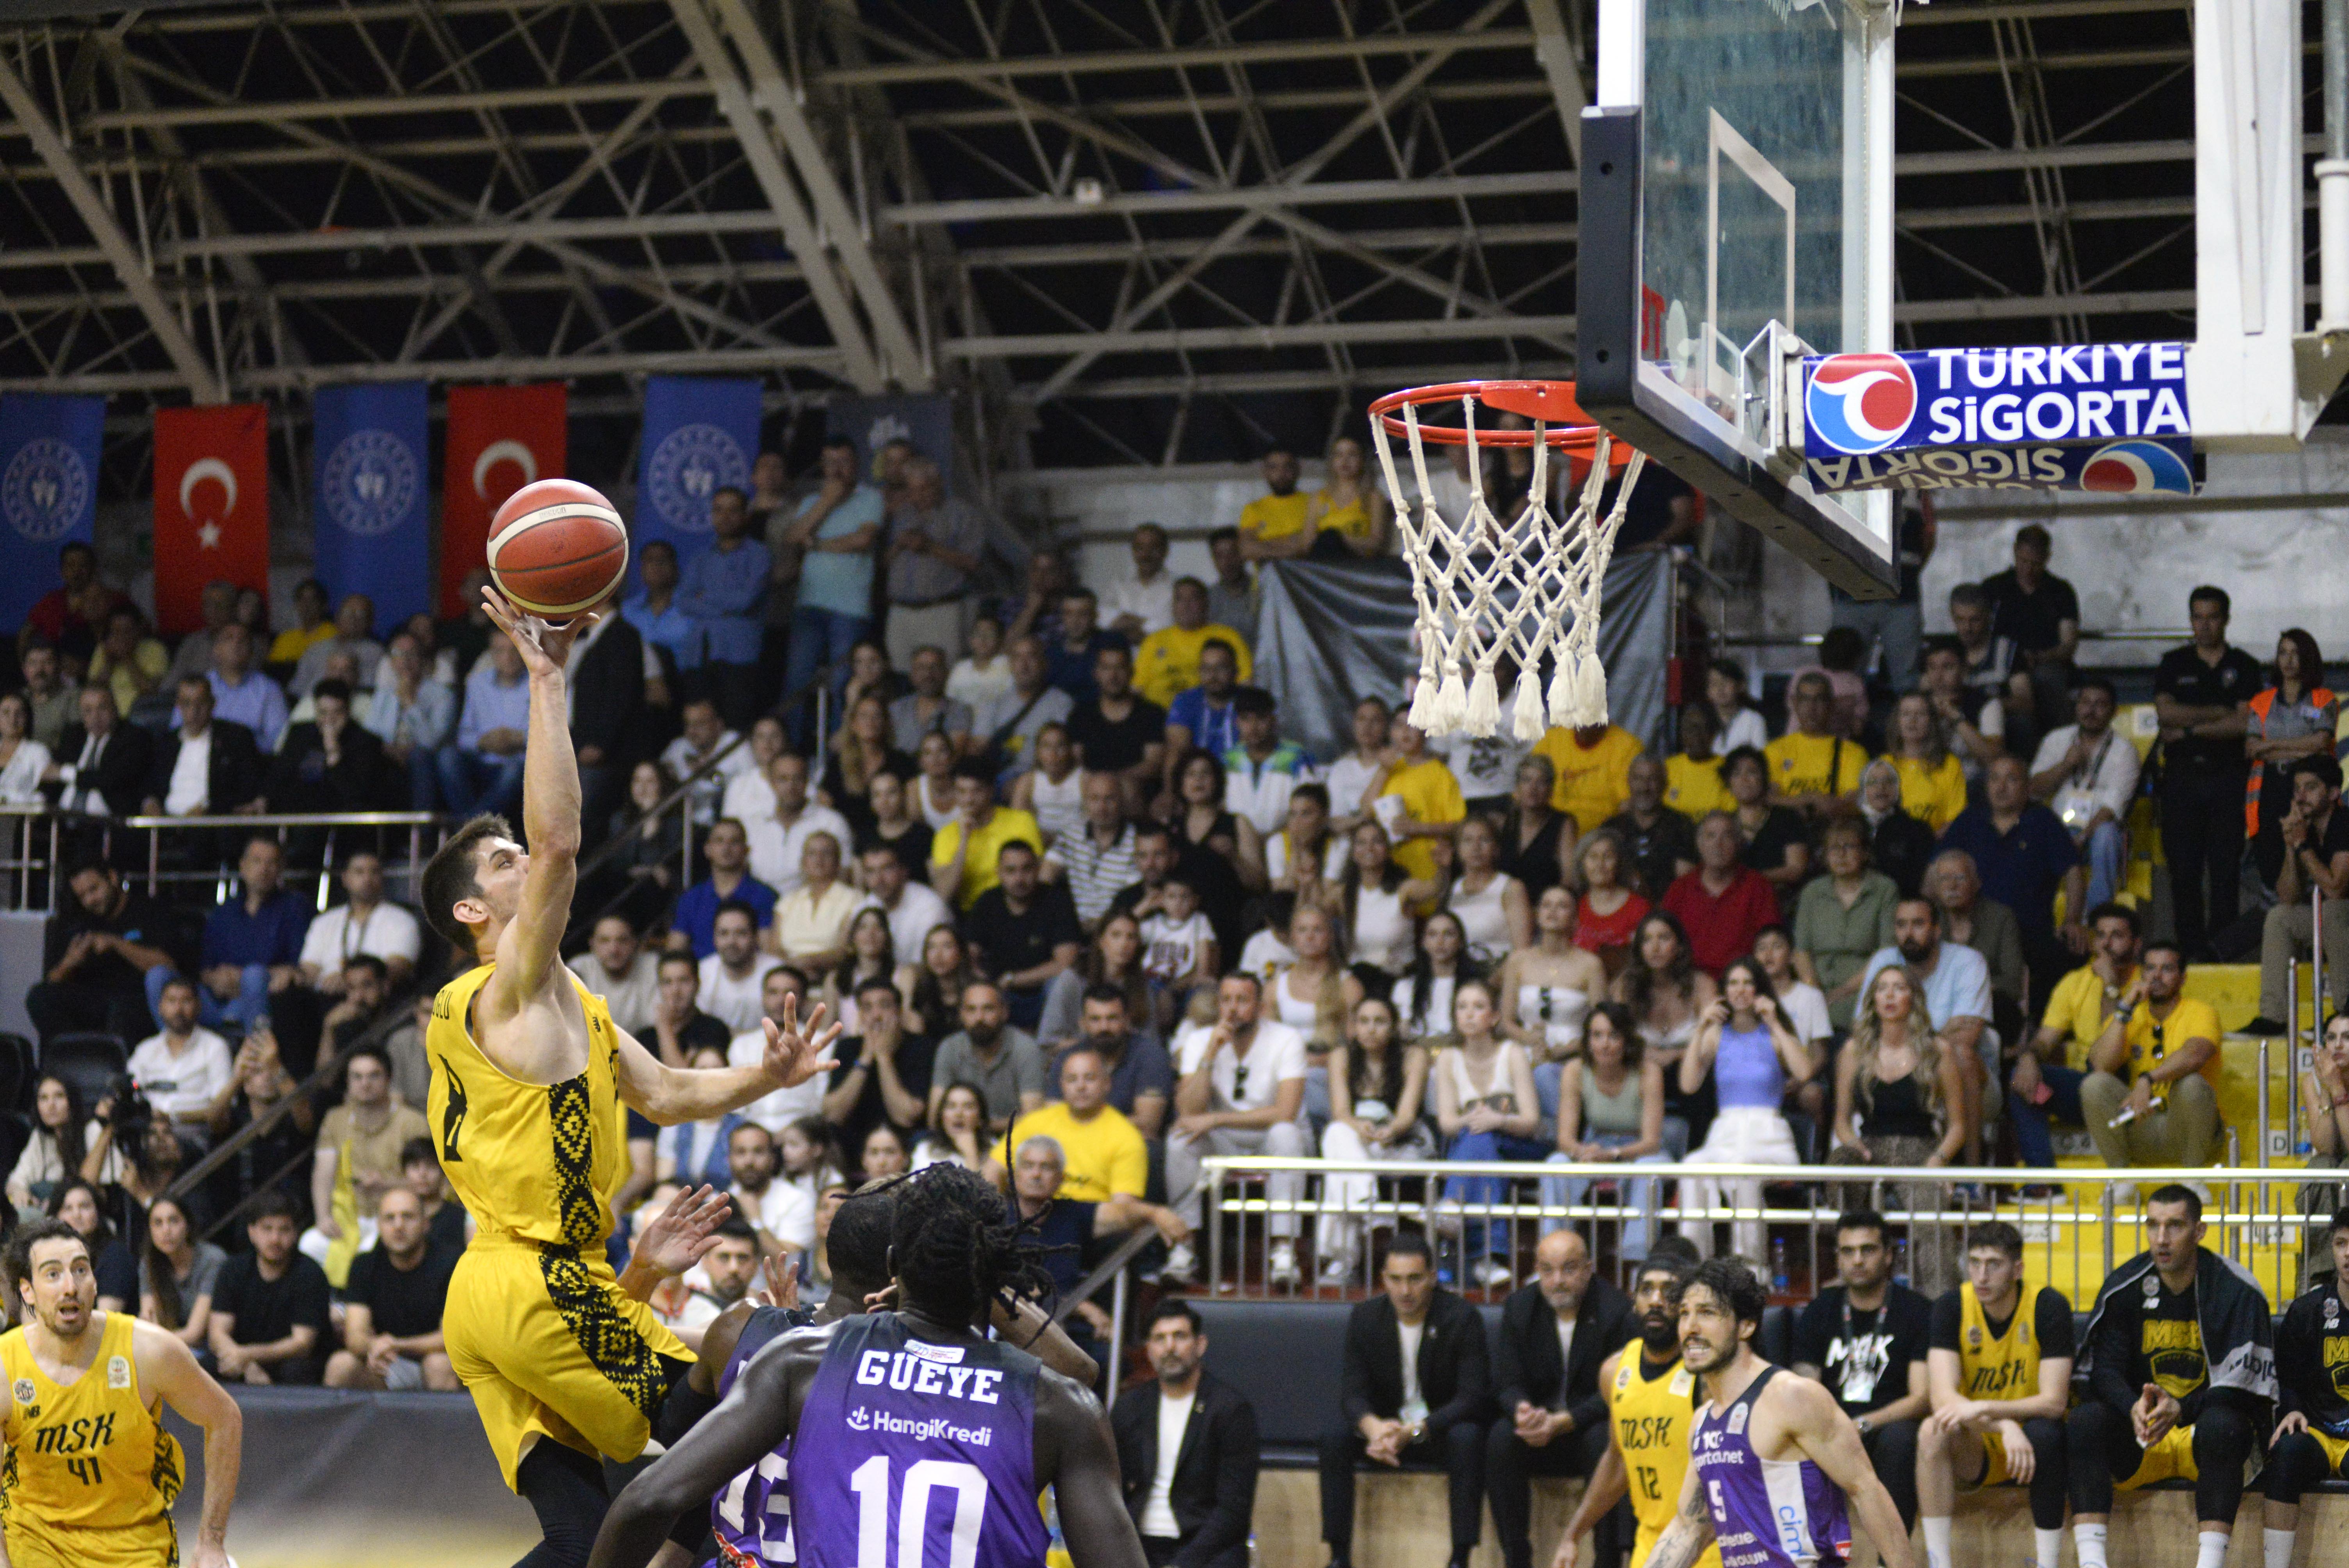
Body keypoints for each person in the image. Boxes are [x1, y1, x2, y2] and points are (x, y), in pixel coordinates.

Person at [413, 588, 842, 1558]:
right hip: (535, 1286)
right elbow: (563, 837)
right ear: (474, 915)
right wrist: (550, 680)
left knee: (581, 1532)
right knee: (701, 1453)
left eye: (515, 850)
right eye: (501, 861)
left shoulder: (569, 1001)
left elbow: (666, 1092)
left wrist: (766, 1079)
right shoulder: (504, 989)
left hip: (498, 1291)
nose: (524, 858)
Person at [589, 1163, 1144, 1568]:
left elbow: (654, 1494)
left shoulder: (784, 1352)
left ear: (895, 1267)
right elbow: (1076, 1374)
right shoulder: (1057, 1405)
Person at [2, 1216, 244, 1568]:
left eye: (81, 1270)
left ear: (95, 1283)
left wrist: (212, 1542)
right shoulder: (5, 1368)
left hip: (132, 1541)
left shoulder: (148, 1350)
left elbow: (225, 1418)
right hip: (37, 1540)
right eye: (53, 1274)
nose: (71, 1286)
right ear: (28, 1291)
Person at [1647, 1258, 1919, 1568]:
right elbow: (1689, 1527)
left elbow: (1866, 1489)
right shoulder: (1702, 1422)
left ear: (1746, 1326)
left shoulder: (1792, 1396)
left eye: (1707, 1313)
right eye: (1684, 1314)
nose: (1690, 1328)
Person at [2067, 1185, 2271, 1568]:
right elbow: (2105, 1369)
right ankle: (2092, 1562)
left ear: (2199, 1230)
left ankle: (2209, 1563)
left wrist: (2182, 1408)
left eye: (2174, 1225)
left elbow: (2243, 1384)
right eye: (2153, 1225)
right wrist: (2132, 1406)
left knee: (2225, 1424)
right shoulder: (2124, 1287)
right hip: (2143, 1434)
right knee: (2084, 1420)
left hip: (2205, 1438)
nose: (2161, 1238)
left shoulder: (2234, 1288)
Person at [1320, 1232, 1491, 1568]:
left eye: (1415, 1279)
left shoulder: (1461, 1318)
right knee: (1334, 1438)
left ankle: (1461, 1556)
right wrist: (1373, 1429)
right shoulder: (1366, 1318)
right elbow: (1352, 1393)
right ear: (1383, 1279)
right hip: (1386, 1431)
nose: (1405, 1291)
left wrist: (1416, 1431)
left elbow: (1473, 1397)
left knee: (1468, 1437)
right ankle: (1339, 1556)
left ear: (1432, 1277)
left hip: (1437, 1429)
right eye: (1396, 1280)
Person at [1916, 1221, 2074, 1568]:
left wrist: (1988, 1408)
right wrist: (2004, 1425)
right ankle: (1939, 1562)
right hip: (1981, 1439)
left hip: (2034, 1440)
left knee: (2045, 1432)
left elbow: (2054, 1401)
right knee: (1932, 1429)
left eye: (1993, 1264)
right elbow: (1943, 1399)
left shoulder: (2048, 1305)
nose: (1982, 1275)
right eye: (1974, 1263)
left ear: (2017, 1269)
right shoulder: (1951, 1306)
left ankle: (2049, 1562)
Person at [1550, 1253, 1719, 1568]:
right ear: (1634, 1303)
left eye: (1668, 1292)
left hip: (1709, 1547)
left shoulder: (1707, 1375)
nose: (1656, 1300)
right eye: (1646, 1290)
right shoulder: (1615, 1372)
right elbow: (1618, 1462)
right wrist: (1572, 1535)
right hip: (1650, 1546)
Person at [1485, 1229, 1634, 1568]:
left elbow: (1619, 1391)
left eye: (1569, 1269)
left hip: (1587, 1425)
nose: (1558, 1281)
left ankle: (1607, 1559)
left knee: (1608, 1441)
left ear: (1588, 1268)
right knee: (1500, 1438)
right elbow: (1506, 1382)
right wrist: (1522, 1411)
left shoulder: (1615, 1310)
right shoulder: (1520, 1307)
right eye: (1547, 1270)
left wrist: (1566, 1421)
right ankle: (1516, 1557)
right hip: (1538, 1425)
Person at [1828, 962, 1968, 1292]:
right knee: (1840, 1166)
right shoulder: (1853, 1050)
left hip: (1919, 1150)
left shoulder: (1938, 1050)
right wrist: (1855, 1146)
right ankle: (1852, 1274)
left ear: (1914, 999)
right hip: (1869, 1147)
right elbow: (1842, 1121)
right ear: (1872, 999)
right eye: (1882, 988)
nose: (1890, 996)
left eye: (1899, 988)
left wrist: (1939, 1161)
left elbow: (1958, 1126)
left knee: (1930, 1214)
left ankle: (1936, 1296)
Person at [1790, 1211, 1931, 1538]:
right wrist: (1835, 1426)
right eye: (1848, 1251)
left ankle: (1890, 1560)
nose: (1857, 1260)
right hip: (1830, 1426)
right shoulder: (1820, 1310)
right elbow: (1805, 1389)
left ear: (1889, 1255)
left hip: (1887, 1425)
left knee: (1900, 1440)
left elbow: (1922, 1397)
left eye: (1868, 1250)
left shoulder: (1917, 1311)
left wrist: (1864, 1424)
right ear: (1838, 1258)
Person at [1164, 973, 1309, 1285]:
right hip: (1224, 1141)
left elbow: (1286, 1112)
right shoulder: (1201, 1040)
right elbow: (1189, 1111)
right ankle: (1184, 1248)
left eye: (1242, 1000)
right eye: (1226, 1000)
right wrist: (1210, 1056)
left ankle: (1284, 1251)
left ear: (1260, 1006)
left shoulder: (1286, 1038)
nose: (1233, 1009)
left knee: (1286, 1134)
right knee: (1179, 1141)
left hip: (1271, 1136)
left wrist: (1215, 1119)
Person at [2154, 585, 2263, 959]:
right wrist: (2219, 711)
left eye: (2212, 616)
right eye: (2198, 617)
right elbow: (2164, 714)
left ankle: (2221, 953)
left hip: (2229, 779)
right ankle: (2188, 955)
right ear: (2190, 620)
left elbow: (2243, 723)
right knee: (2183, 873)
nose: (2205, 625)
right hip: (2182, 781)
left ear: (2226, 619)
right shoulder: (2174, 663)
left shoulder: (2245, 665)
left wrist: (2188, 730)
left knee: (2224, 873)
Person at [1675, 959, 1809, 1262]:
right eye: (1733, 983)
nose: (1740, 990)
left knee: (1744, 1170)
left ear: (1760, 989)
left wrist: (1775, 1023)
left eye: (1747, 983)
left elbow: (1803, 1072)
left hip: (1768, 1136)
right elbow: (1688, 1085)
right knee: (1692, 1166)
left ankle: (1749, 1266)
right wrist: (1700, 1028)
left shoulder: (1774, 1033)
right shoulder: (1717, 1035)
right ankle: (1694, 1262)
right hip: (1726, 1133)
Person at [1113, 1299, 1262, 1568]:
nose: (1170, 1347)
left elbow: (1233, 1511)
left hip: (1206, 1549)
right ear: (1148, 1350)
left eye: (1179, 1336)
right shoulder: (1129, 1408)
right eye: (1160, 1339)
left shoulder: (1231, 1410)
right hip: (1139, 1545)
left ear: (1200, 1345)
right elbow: (1113, 1490)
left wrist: (1182, 1565)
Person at [1314, 995, 1436, 1282]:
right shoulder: (1341, 1057)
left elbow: (1407, 1114)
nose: (1371, 1029)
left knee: (1340, 1167)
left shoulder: (1413, 1056)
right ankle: (1369, 1206)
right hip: (1360, 1145)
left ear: (1394, 1028)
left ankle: (1341, 1261)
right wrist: (1361, 1129)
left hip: (1403, 1145)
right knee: (1337, 1135)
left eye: (1380, 1022)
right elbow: (1341, 1113)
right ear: (1353, 1027)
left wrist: (1390, 1131)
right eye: (1364, 1022)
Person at [1433, 979, 1544, 1288]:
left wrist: (1498, 1120)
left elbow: (1531, 1121)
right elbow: (1446, 1123)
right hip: (1472, 1143)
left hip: (1514, 1142)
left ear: (1494, 1017)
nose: (1469, 1014)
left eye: (1478, 1007)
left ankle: (1452, 1207)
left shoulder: (1513, 1053)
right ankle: (1486, 1258)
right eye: (1462, 1007)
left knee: (1480, 1138)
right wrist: (1475, 1119)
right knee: (1477, 1139)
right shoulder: (1447, 1058)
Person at [1540, 1000, 1669, 1262]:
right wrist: (1582, 1152)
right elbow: (1564, 1139)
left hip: (1638, 1151)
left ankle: (1637, 1262)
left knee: (1651, 1170)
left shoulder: (1649, 1071)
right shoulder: (1575, 1070)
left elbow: (1652, 1142)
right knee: (1556, 1163)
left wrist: (1614, 1154)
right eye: (1597, 1036)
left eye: (1614, 1036)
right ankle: (1555, 1255)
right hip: (1594, 1147)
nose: (1605, 1044)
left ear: (1627, 1040)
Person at [2081, 940, 2224, 1169]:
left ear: (2183, 978)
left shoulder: (2201, 1012)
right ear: (2141, 974)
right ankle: (2120, 1180)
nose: (2157, 976)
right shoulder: (2131, 1015)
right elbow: (2099, 1064)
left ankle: (2194, 1178)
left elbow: (2195, 1054)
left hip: (2190, 1132)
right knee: (2094, 1084)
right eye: (2150, 968)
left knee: (2192, 1084)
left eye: (2167, 969)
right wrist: (2125, 1007)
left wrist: (2148, 1079)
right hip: (2142, 1124)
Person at [2263, 1205, 2349, 1568]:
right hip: (2316, 1431)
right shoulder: (2309, 1310)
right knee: (2286, 1453)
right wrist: (2293, 1408)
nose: (2348, 1253)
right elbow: (2287, 1378)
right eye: (2341, 1243)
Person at [303, 1044, 431, 1277]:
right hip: (348, 1219)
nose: (365, 1083)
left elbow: (430, 1182)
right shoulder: (335, 1119)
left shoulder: (413, 1123)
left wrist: (387, 1185)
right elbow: (323, 1175)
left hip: (398, 1218)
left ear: (389, 1079)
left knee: (367, 1254)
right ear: (348, 1082)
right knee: (309, 1245)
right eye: (357, 1077)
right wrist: (323, 1217)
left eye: (374, 1075)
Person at [2247, 755, 2349, 1035]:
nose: (2301, 796)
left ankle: (2345, 1013)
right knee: (2281, 917)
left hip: (2342, 915)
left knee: (2332, 909)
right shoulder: (2307, 829)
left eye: (2311, 787)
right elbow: (2289, 898)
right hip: (2338, 922)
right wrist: (2292, 845)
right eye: (2297, 788)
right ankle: (2273, 1017)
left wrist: (2302, 843)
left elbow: (2335, 889)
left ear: (2333, 793)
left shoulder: (2344, 823)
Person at [321, 1184, 457, 1391]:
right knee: (341, 1364)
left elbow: (453, 1339)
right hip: (386, 1362)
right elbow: (355, 1337)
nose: (399, 1226)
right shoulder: (364, 1265)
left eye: (408, 1217)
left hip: (438, 1360)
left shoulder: (451, 1263)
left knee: (438, 1364)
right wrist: (374, 1346)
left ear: (425, 1224)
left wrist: (397, 1345)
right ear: (379, 1226)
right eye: (390, 1218)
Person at [28, 856, 177, 1044]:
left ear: (113, 878)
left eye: (94, 889)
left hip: (139, 1000)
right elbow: (53, 982)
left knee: (123, 1011)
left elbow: (167, 967)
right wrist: (69, 963)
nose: (90, 900)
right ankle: (75, 1061)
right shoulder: (80, 921)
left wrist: (116, 943)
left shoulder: (148, 910)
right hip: (95, 999)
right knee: (40, 997)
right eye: (82, 896)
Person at [2023, 677, 2141, 912]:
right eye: (2086, 703)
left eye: (2100, 705)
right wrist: (2066, 766)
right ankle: (2035, 909)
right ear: (2076, 707)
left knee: (2107, 835)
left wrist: (2081, 838)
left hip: (2096, 832)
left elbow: (2111, 810)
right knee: (2034, 826)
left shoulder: (2125, 751)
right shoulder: (2056, 740)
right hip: (2057, 828)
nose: (2091, 710)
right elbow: (2033, 791)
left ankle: (2099, 915)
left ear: (2113, 712)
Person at [1613, 912, 1718, 1155]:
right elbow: (1614, 1036)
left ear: (1679, 947)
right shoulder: (1625, 987)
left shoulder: (1702, 985)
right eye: (1647, 940)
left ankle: (1696, 1162)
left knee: (1704, 1077)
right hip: (1639, 1071)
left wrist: (1678, 1054)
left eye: (1664, 938)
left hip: (1689, 1074)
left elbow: (1713, 1042)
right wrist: (1646, 1053)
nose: (1655, 948)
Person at [208, 1190, 331, 1385]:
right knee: (204, 1365)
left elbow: (302, 1344)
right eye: (267, 1229)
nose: (275, 1239)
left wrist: (246, 1355)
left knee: (298, 1371)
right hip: (241, 1359)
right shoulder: (233, 1269)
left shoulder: (310, 1274)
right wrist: (244, 1362)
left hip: (289, 1362)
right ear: (252, 1232)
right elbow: (217, 1332)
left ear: (296, 1233)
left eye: (284, 1230)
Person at [882, 454, 985, 667]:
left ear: (938, 484)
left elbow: (974, 563)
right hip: (900, 611)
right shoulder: (900, 515)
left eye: (924, 489)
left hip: (942, 610)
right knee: (900, 675)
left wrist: (931, 548)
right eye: (911, 489)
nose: (917, 496)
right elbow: (882, 563)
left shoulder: (962, 514)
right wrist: (898, 545)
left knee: (942, 674)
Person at [1497, 884, 1609, 1066]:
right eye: (1546, 905)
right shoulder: (1518, 961)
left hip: (1574, 1057)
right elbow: (1506, 1022)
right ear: (1537, 914)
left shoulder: (1591, 965)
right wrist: (1531, 1040)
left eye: (1562, 906)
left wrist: (1562, 1052)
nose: (1553, 911)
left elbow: (1602, 1025)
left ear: (1575, 920)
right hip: (1525, 1053)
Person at [1661, 812, 1779, 976]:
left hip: (1743, 983)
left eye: (1727, 836)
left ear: (1738, 844)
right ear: (1699, 844)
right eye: (1711, 836)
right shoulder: (1680, 889)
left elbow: (1771, 944)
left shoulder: (1758, 887)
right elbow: (1663, 942)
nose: (1718, 844)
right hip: (1688, 984)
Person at [125, 975, 233, 1151]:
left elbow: (221, 1111)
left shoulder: (215, 1047)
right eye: (172, 1001)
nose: (178, 1009)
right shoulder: (145, 1050)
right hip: (147, 1134)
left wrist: (172, 1117)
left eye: (186, 1001)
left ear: (198, 1006)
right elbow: (131, 1092)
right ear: (160, 1007)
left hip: (193, 1140)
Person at [143, 674, 266, 818]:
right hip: (165, 826)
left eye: (200, 703)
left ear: (213, 704)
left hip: (212, 827)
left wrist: (209, 810)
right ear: (178, 705)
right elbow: (149, 784)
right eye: (187, 704)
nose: (193, 712)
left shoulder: (235, 739)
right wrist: (150, 803)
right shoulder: (165, 743)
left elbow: (247, 788)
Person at [1068, 641, 1168, 818]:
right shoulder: (1081, 714)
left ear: (1131, 672)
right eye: (1106, 668)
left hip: (1138, 793)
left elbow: (1153, 763)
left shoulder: (1152, 714)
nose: (1113, 676)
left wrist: (1113, 780)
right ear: (1096, 674)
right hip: (1092, 789)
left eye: (1120, 668)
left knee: (1127, 789)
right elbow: (1077, 761)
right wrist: (1101, 784)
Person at [438, 632, 533, 817]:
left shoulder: (540, 684)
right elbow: (464, 736)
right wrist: (483, 742)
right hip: (482, 762)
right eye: (500, 651)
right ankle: (476, 827)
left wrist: (520, 739)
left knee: (513, 772)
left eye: (514, 650)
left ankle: (470, 830)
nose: (508, 657)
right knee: (446, 757)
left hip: (520, 764)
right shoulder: (477, 683)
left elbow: (553, 737)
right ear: (492, 655)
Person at [1721, 747, 1812, 918]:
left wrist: (1751, 880)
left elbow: (1796, 869)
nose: (1744, 779)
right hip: (1734, 907)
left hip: (1782, 906)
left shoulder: (1787, 818)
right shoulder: (1725, 825)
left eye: (1752, 772)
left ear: (1764, 778)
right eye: (1737, 774)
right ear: (1728, 783)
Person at [1136, 579, 1253, 710]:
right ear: (1173, 606)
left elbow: (1246, 684)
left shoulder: (1228, 637)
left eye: (1193, 599)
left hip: (1210, 716)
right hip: (1159, 717)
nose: (1186, 605)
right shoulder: (1154, 641)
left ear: (1206, 604)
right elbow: (1137, 689)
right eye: (1180, 599)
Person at [672, 818, 777, 960]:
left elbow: (768, 952)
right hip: (701, 978)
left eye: (734, 842)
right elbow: (675, 951)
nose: (726, 848)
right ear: (707, 850)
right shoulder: (691, 898)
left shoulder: (764, 896)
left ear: (746, 850)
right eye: (719, 841)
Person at [1766, 672, 1867, 814]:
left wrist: (1796, 802)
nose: (1811, 708)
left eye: (1819, 700)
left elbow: (1853, 804)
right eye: (1805, 700)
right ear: (1795, 703)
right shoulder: (1775, 750)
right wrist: (1813, 799)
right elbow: (1768, 799)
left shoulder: (1853, 753)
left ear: (1831, 704)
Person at [1603, 757, 1696, 906]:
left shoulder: (1681, 826)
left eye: (1652, 780)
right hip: (1618, 910)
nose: (1645, 788)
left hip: (1668, 911)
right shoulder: (1611, 828)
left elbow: (1686, 884)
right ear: (1629, 782)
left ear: (1665, 784)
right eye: (1638, 779)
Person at [139, 1192, 223, 1350]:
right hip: (169, 1346)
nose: (166, 1230)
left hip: (208, 1350)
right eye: (158, 1223)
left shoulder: (212, 1260)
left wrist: (155, 1339)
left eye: (174, 1221)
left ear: (187, 1225)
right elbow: (149, 1323)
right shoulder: (149, 1263)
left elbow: (195, 1334)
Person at [1533, 721, 1644, 837]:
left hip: (1602, 841)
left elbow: (1629, 807)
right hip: (1550, 836)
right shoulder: (1553, 739)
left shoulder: (1627, 746)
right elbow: (1525, 787)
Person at [1107, 522, 1178, 640]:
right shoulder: (1119, 585)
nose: (1146, 555)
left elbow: (1170, 625)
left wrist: (1135, 623)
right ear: (1133, 551)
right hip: (1122, 655)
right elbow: (1104, 618)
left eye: (1153, 548)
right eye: (1140, 548)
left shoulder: (1177, 586)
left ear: (1165, 551)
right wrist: (1146, 623)